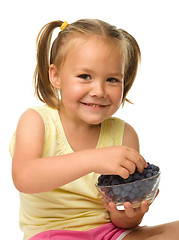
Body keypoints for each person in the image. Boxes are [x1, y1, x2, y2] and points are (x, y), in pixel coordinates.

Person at [9, 19, 179, 240]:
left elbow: (118, 217)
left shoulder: (125, 134)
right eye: (85, 76)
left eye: (111, 79)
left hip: (110, 233)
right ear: (56, 76)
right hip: (53, 234)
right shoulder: (36, 120)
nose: (99, 90)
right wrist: (92, 160)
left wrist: (130, 214)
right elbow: (24, 177)